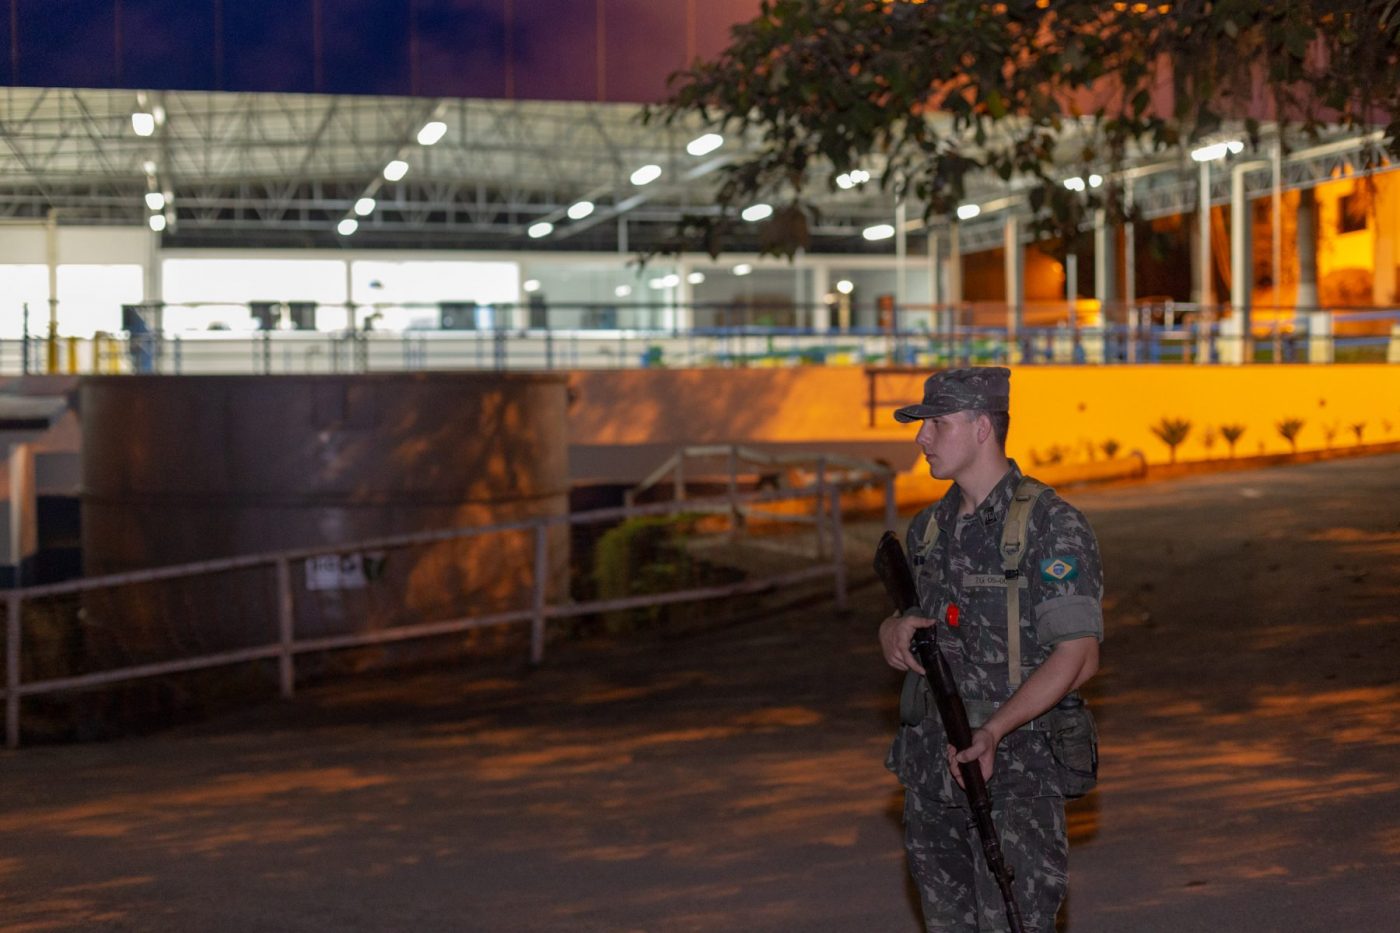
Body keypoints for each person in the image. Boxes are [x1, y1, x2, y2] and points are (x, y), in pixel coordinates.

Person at [878, 366, 1103, 932]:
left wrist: (994, 731)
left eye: (937, 423)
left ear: (982, 427)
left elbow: (1077, 655)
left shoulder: (1052, 526)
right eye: (921, 425)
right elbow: (917, 622)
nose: (921, 438)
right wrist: (894, 631)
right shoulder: (927, 530)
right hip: (933, 772)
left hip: (1015, 778)